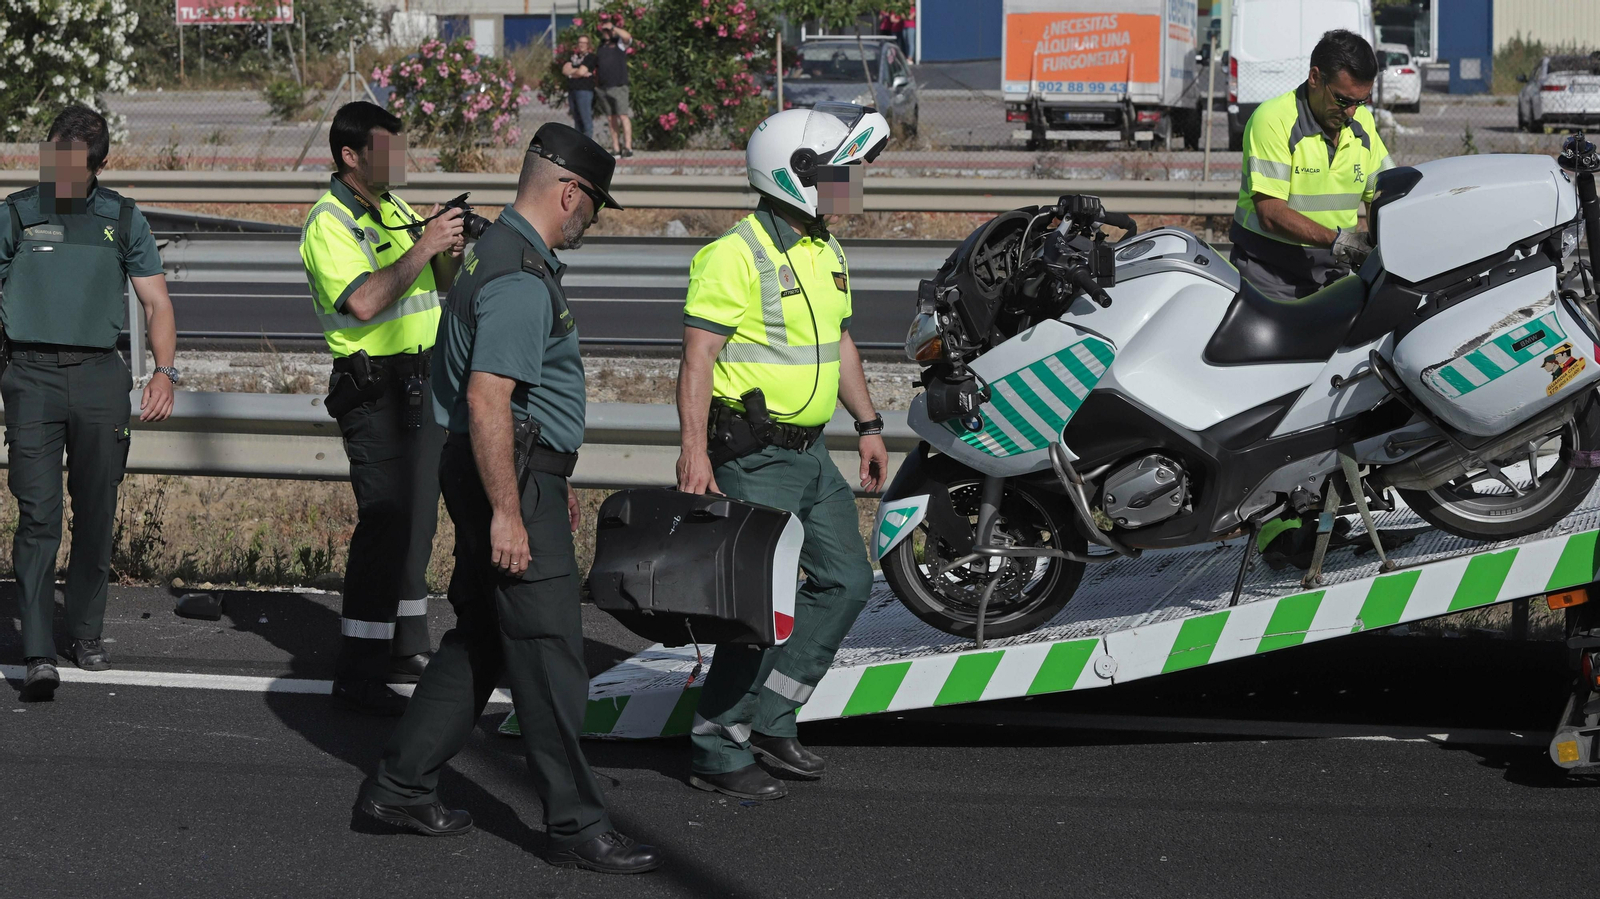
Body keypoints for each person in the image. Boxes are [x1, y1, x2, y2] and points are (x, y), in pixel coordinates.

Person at [355, 123, 660, 876]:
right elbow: (492, 399)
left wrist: (541, 481)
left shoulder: (493, 255)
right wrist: (513, 510)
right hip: (505, 473)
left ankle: (398, 786)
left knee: (485, 636)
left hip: (507, 469)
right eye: (593, 202)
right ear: (568, 192)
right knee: (552, 650)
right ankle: (576, 824)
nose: (592, 215)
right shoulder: (521, 277)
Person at [676, 103, 890, 801]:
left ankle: (772, 714)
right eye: (836, 173)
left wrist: (867, 423)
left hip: (810, 456)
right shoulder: (733, 254)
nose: (847, 187)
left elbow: (842, 343)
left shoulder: (825, 248)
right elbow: (698, 359)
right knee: (754, 609)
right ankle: (715, 744)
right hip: (753, 454)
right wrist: (692, 452)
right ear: (792, 175)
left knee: (847, 581)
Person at [1, 105, 178, 702]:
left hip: (101, 378)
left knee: (97, 511)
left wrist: (165, 373)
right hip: (29, 376)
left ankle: (87, 633)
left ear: (101, 165)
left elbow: (156, 304)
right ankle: (37, 650)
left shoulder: (122, 218)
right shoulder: (17, 215)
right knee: (38, 515)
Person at [299, 101, 463, 715]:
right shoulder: (329, 222)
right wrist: (425, 244)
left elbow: (439, 285)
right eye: (387, 150)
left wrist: (450, 244)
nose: (399, 159)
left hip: (423, 381)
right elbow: (365, 302)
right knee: (385, 523)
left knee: (420, 519)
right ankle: (361, 667)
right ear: (351, 156)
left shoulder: (392, 205)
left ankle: (406, 643)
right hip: (374, 392)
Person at [1230, 29, 1392, 301]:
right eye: (1342, 100)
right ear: (1315, 77)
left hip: (1333, 275)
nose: (1351, 111)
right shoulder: (1273, 120)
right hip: (1270, 276)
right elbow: (1270, 213)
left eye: (1360, 101)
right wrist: (1340, 242)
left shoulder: (1362, 123)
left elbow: (1386, 192)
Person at [594, 20, 635, 157]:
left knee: (623, 116)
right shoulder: (601, 46)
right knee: (611, 118)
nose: (607, 33)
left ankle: (628, 147)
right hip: (603, 87)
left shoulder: (619, 43)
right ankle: (616, 148)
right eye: (604, 30)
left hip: (618, 86)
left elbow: (627, 37)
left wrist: (613, 27)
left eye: (608, 30)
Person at [563, 35, 598, 139]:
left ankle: (588, 145)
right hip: (572, 90)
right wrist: (575, 72)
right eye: (580, 42)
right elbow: (565, 70)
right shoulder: (573, 57)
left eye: (584, 43)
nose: (581, 45)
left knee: (585, 118)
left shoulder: (590, 57)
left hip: (584, 91)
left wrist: (573, 72)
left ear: (588, 45)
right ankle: (579, 145)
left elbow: (581, 71)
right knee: (577, 120)